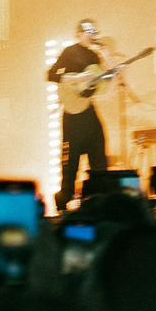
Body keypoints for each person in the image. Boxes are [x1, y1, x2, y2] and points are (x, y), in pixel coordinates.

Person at [47, 19, 115, 205]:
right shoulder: (69, 52)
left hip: (87, 110)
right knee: (70, 164)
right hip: (71, 114)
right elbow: (51, 74)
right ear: (79, 33)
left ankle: (100, 200)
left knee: (99, 156)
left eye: (93, 32)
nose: (91, 35)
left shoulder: (94, 56)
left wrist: (106, 77)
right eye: (87, 32)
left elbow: (95, 87)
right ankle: (63, 201)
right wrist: (76, 78)